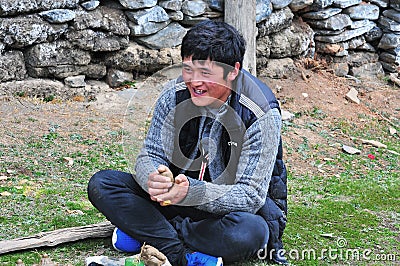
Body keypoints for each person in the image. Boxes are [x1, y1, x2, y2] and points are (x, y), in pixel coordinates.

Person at [88, 20, 288, 266]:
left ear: (233, 71)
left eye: (205, 73)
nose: (194, 82)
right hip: (174, 199)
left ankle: (152, 235)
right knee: (103, 183)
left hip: (226, 212)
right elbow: (150, 154)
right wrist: (155, 179)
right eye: (188, 69)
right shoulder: (174, 94)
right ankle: (181, 255)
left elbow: (250, 196)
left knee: (251, 232)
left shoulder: (260, 114)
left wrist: (192, 192)